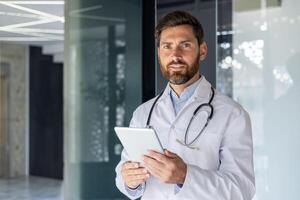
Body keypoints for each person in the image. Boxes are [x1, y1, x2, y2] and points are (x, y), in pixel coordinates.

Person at [115, 10, 255, 200]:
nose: (175, 55)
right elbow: (125, 176)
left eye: (185, 45)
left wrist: (185, 176)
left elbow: (242, 189)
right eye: (167, 46)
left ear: (202, 50)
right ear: (159, 53)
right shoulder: (143, 113)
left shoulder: (232, 114)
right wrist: (129, 181)